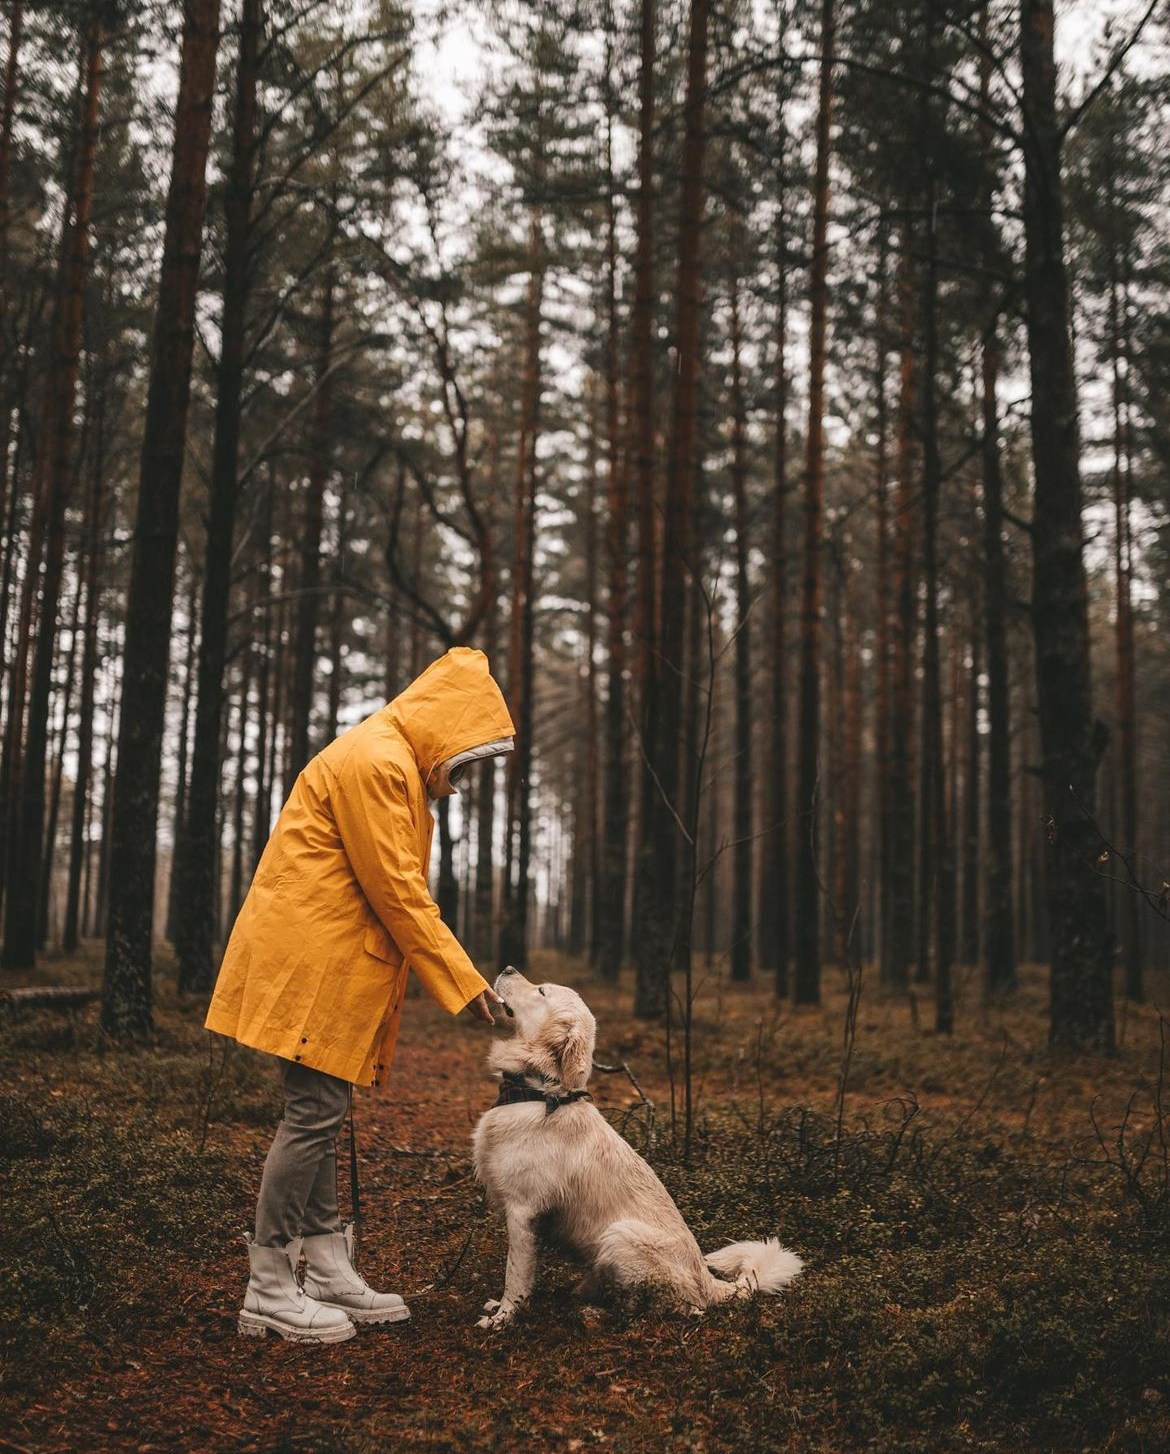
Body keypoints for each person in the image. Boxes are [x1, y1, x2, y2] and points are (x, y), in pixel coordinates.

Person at [205, 646, 516, 1343]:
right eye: (466, 757)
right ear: (446, 724)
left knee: (324, 1105)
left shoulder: (391, 759)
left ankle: (325, 1265)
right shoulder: (378, 763)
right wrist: (465, 985)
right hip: (313, 960)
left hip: (326, 959)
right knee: (312, 1110)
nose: (462, 777)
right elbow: (398, 890)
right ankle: (270, 1286)